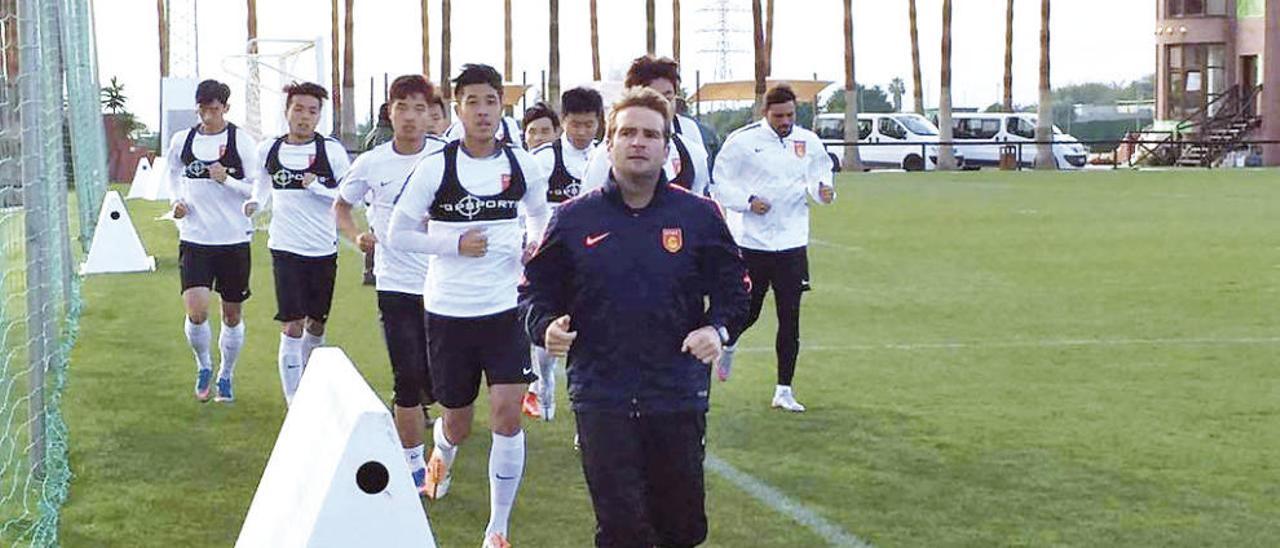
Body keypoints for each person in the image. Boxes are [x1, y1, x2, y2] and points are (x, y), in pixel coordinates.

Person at [519, 86, 750, 548]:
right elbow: (533, 290)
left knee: (681, 528)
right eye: (627, 133)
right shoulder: (573, 218)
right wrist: (543, 326)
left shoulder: (700, 216)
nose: (638, 142)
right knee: (622, 528)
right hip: (601, 395)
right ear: (610, 144)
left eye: (650, 134)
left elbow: (737, 292)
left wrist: (717, 329)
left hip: (677, 394)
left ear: (667, 147)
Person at [388, 64, 549, 548]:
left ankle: (497, 527)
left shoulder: (522, 165)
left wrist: (532, 243)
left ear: (503, 107)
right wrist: (454, 246)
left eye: (491, 102)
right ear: (456, 108)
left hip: (504, 310)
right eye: (473, 102)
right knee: (457, 423)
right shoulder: (437, 166)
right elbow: (399, 234)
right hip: (448, 314)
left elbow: (541, 216)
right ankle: (443, 454)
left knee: (506, 413)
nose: (483, 112)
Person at [334, 74, 446, 495]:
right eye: (403, 107)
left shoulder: (446, 156)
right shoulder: (372, 162)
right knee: (407, 376)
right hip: (395, 282)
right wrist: (356, 236)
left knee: (443, 382)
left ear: (431, 114)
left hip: (444, 284)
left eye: (420, 109)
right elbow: (342, 206)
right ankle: (413, 467)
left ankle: (440, 439)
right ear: (389, 111)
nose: (412, 118)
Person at [711, 84, 836, 412]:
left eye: (790, 115)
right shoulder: (743, 141)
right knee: (748, 311)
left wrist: (823, 191)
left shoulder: (808, 141)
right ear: (765, 113)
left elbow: (820, 173)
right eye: (778, 116)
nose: (785, 121)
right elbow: (720, 182)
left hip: (793, 242)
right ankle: (730, 342)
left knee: (790, 317)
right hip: (753, 241)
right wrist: (748, 202)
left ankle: (784, 390)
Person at [244, 81, 352, 406]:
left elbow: (350, 197)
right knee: (291, 324)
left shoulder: (330, 151)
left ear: (319, 116)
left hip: (321, 249)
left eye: (312, 111)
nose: (304, 117)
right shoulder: (270, 149)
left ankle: (310, 379)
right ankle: (295, 401)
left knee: (316, 325)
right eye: (299, 109)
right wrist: (254, 203)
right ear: (287, 111)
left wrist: (318, 187)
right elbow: (261, 184)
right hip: (284, 247)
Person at [165, 79, 261, 403]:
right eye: (203, 109)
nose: (208, 116)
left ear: (225, 108)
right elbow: (172, 173)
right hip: (195, 238)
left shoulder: (241, 141)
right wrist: (176, 201)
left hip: (233, 240)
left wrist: (228, 180)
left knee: (231, 315)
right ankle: (204, 365)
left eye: (214, 109)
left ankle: (226, 375)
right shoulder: (183, 140)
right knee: (196, 311)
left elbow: (257, 189)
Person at [522, 86, 603, 421]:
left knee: (593, 331)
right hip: (551, 256)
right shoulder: (543, 160)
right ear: (563, 122)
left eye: (589, 124)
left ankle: (588, 407)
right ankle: (544, 385)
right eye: (576, 124)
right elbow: (523, 207)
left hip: (595, 257)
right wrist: (530, 240)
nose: (583, 132)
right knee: (548, 331)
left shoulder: (606, 157)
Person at [581, 55, 710, 196]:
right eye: (654, 97)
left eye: (668, 97)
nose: (663, 104)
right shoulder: (605, 156)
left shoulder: (692, 153)